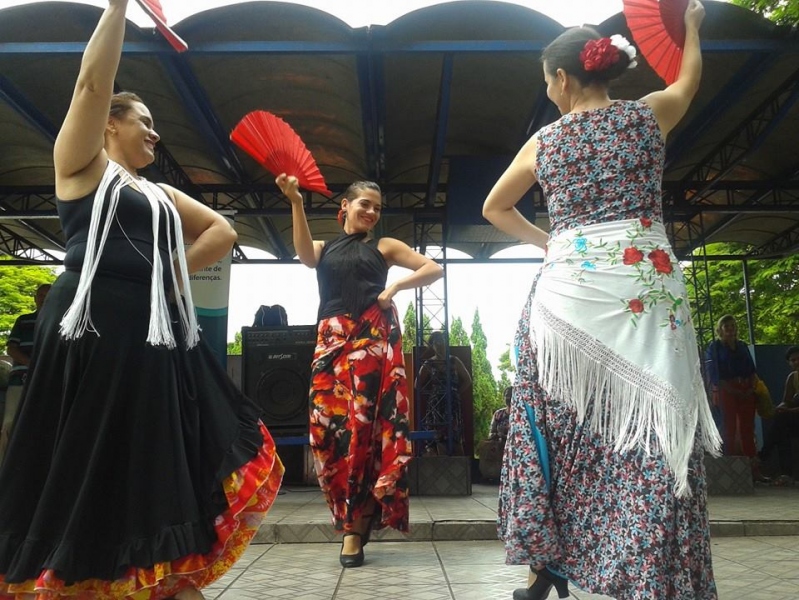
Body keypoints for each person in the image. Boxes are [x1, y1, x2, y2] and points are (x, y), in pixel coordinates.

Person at [0, 2, 283, 599]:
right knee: (92, 457)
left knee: (151, 458)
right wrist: (120, 4)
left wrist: (160, 270)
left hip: (151, 334)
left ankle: (165, 579)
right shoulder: (80, 167)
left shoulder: (156, 191)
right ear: (109, 122)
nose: (155, 132)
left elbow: (223, 233)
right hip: (91, 326)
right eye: (143, 120)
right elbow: (90, 81)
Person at [482, 2, 721, 599]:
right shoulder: (648, 117)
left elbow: (493, 207)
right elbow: (688, 80)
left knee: (554, 428)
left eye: (547, 82)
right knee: (656, 429)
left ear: (563, 79)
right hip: (648, 292)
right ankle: (652, 573)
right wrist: (689, 29)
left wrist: (552, 242)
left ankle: (550, 565)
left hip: (566, 301)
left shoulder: (547, 141)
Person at [276, 174, 443, 568]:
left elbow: (433, 269)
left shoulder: (384, 246)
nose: (371, 211)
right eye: (364, 204)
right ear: (344, 209)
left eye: (377, 207)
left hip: (371, 340)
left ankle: (354, 529)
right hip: (330, 341)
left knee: (365, 430)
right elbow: (303, 254)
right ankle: (353, 516)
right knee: (326, 432)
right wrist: (296, 202)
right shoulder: (325, 247)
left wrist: (395, 288)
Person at [0, 283, 50, 465]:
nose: (44, 299)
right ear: (35, 298)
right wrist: (32, 363)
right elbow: (12, 349)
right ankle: (4, 469)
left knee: (43, 424)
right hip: (20, 380)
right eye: (41, 295)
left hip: (48, 380)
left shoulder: (63, 322)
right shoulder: (23, 320)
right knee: (10, 423)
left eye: (48, 295)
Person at [705, 315, 760, 473]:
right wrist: (731, 389)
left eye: (732, 325)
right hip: (726, 389)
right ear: (720, 329)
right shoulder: (715, 347)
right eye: (726, 326)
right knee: (728, 426)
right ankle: (730, 466)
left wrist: (750, 388)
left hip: (746, 388)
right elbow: (714, 373)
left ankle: (753, 468)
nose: (730, 329)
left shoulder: (742, 346)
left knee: (747, 427)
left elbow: (751, 370)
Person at [417, 330, 473, 455]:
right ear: (432, 346)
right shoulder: (429, 363)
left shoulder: (454, 361)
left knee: (455, 436)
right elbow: (417, 384)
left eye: (442, 342)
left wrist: (456, 392)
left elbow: (467, 380)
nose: (440, 345)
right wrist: (433, 394)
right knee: (439, 437)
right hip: (436, 404)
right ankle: (442, 465)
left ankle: (460, 469)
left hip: (452, 403)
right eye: (437, 343)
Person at [760, 345, 799, 484]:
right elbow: (786, 401)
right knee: (781, 429)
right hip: (793, 419)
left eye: (798, 359)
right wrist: (780, 408)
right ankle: (786, 474)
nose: (796, 362)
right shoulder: (792, 378)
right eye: (792, 360)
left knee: (781, 422)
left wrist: (786, 411)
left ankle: (762, 457)